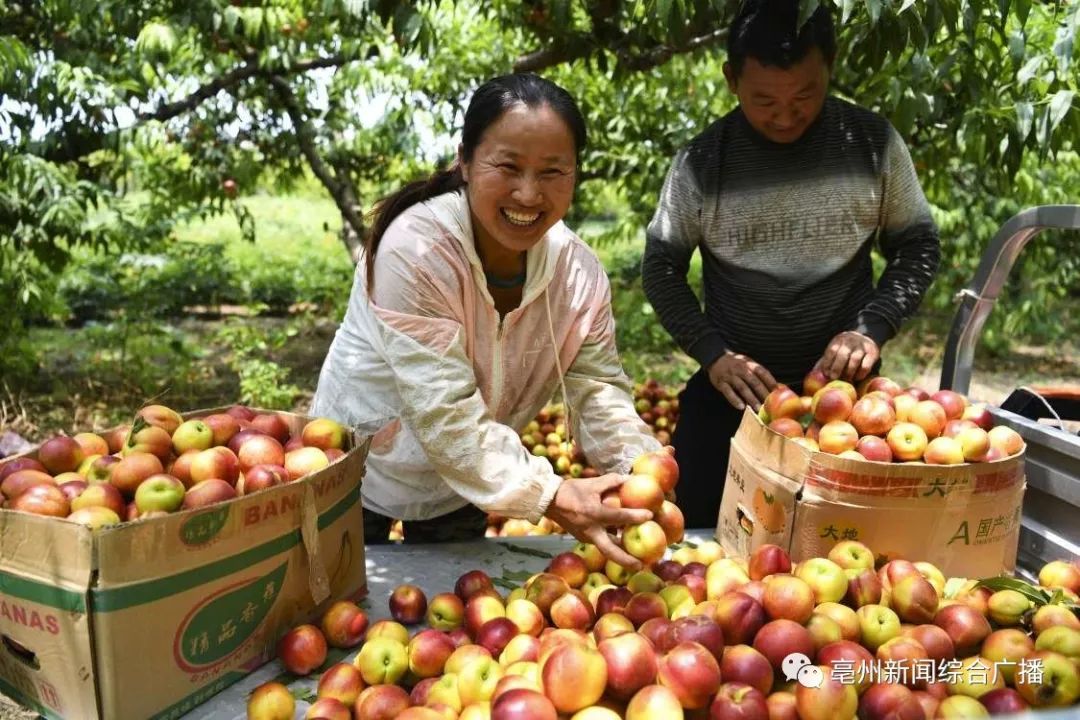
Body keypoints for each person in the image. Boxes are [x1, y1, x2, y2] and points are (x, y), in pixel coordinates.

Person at [312, 74, 662, 567]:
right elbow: (446, 413)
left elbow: (597, 386)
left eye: (552, 172)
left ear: (575, 174)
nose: (527, 193)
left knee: (456, 616)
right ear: (466, 160)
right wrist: (551, 494)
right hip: (357, 469)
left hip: (470, 483)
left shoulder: (576, 274)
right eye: (508, 166)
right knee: (340, 610)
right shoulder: (416, 250)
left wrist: (639, 467)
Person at [641, 0, 941, 529]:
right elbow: (661, 267)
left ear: (831, 65)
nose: (784, 116)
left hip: (846, 403)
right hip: (734, 399)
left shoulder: (871, 143)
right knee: (703, 544)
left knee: (860, 553)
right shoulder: (702, 162)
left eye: (805, 95)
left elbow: (916, 244)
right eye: (764, 101)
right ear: (731, 79)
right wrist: (714, 354)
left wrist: (870, 330)